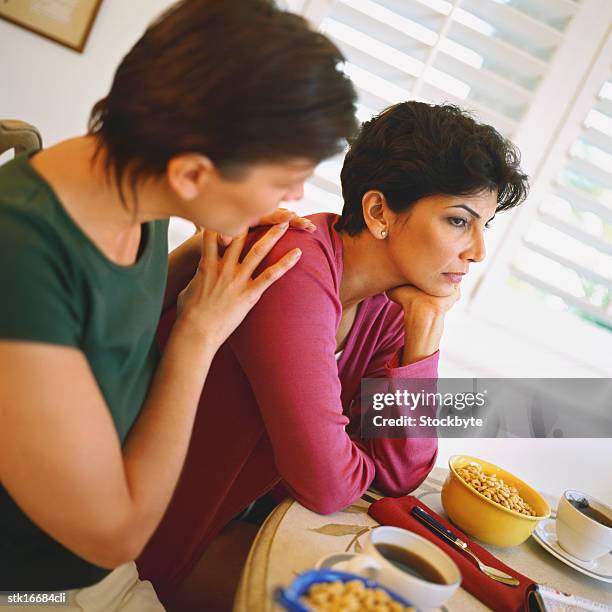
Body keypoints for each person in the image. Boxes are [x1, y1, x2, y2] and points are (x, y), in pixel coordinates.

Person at [0, 0, 357, 609]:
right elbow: (115, 533)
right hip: (36, 582)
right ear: (192, 171)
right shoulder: (21, 261)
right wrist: (200, 331)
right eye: (284, 177)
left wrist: (197, 253)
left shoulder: (131, 189)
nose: (297, 197)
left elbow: (104, 329)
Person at [136, 101, 529, 610]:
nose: (477, 250)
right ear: (379, 212)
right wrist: (351, 451)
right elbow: (327, 484)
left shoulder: (388, 307)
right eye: (458, 221)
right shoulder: (291, 270)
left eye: (484, 227)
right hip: (136, 534)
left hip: (216, 525)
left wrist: (426, 333)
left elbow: (397, 477)